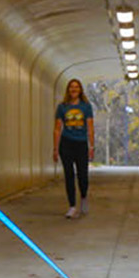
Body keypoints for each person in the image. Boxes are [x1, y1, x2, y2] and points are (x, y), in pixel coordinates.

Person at [53, 78, 93, 218]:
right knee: (69, 175)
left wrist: (91, 146)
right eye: (71, 87)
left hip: (81, 144)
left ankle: (83, 197)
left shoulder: (86, 107)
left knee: (83, 175)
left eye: (76, 87)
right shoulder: (62, 107)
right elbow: (57, 129)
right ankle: (72, 206)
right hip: (66, 144)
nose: (74, 89)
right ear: (68, 90)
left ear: (80, 90)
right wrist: (55, 148)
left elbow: (90, 127)